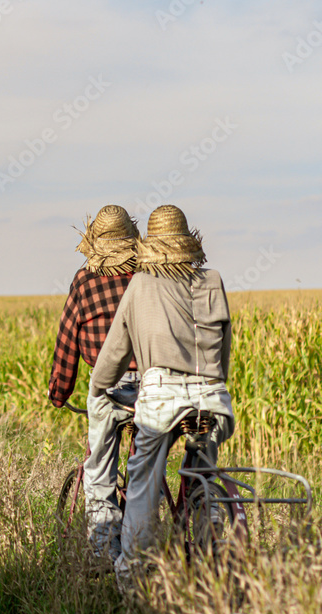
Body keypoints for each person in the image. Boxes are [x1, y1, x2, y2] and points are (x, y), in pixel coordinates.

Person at [89, 204, 235, 591]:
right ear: (189, 244)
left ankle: (132, 581)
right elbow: (223, 350)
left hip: (161, 399)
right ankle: (211, 543)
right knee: (203, 468)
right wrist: (213, 384)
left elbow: (116, 352)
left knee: (142, 485)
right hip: (213, 397)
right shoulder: (214, 279)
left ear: (150, 247)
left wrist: (99, 387)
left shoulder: (141, 284)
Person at [49, 204, 141, 565]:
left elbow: (67, 338)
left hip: (106, 385)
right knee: (143, 471)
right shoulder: (145, 278)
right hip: (151, 383)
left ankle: (103, 556)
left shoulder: (85, 280)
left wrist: (60, 390)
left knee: (99, 472)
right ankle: (138, 545)